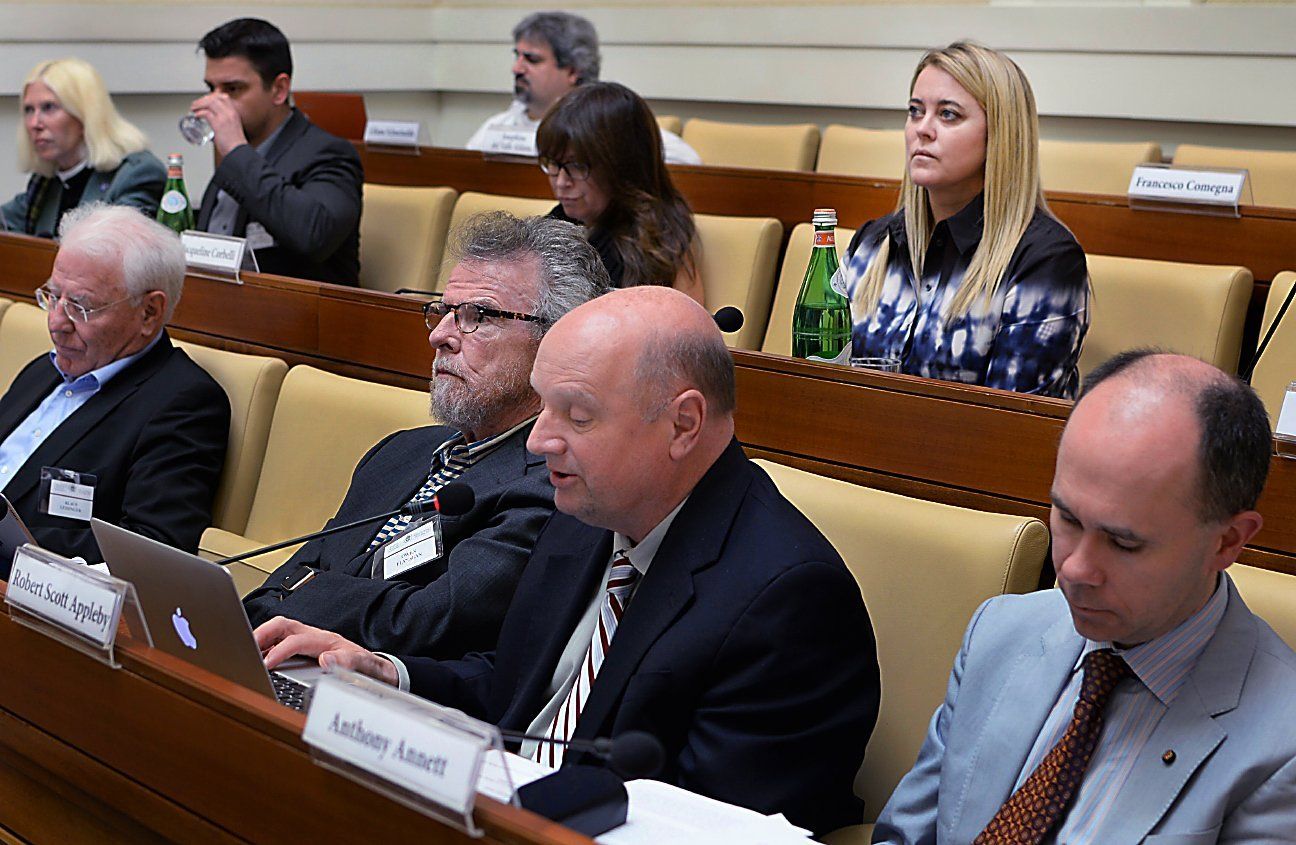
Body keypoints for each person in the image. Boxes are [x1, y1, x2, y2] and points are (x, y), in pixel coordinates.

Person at [256, 286, 880, 835]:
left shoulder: (790, 600)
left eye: (576, 415)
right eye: (542, 405)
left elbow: (705, 825)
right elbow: (515, 687)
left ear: (684, 423)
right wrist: (389, 674)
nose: (537, 440)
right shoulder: (588, 513)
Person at [874, 350, 1296, 843]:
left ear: (1227, 542)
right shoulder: (1000, 633)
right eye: (1068, 519)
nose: (1073, 569)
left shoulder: (1281, 746)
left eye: (1123, 543)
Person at [243, 213, 610, 655]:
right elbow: (289, 578)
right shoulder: (400, 451)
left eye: (477, 316)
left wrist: (307, 596)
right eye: (442, 312)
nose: (440, 336)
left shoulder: (552, 482)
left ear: (556, 339)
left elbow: (434, 621)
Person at [838, 42, 1088, 399]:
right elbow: (821, 378)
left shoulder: (1046, 261)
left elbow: (1009, 425)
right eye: (914, 111)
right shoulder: (873, 243)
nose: (922, 129)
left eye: (948, 115)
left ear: (998, 135)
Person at [0, 204, 230, 573]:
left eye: (81, 306)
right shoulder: (44, 371)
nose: (57, 323)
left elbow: (152, 547)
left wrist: (14, 546)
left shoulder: (183, 401)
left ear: (149, 313)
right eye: (53, 296)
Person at [191, 18, 363, 286]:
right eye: (211, 89)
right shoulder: (235, 151)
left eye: (233, 89)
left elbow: (314, 236)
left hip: (299, 317)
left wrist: (236, 150)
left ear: (279, 90)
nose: (215, 102)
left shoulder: (329, 154)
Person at [538, 82, 703, 304]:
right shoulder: (558, 223)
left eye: (577, 166)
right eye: (552, 164)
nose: (561, 181)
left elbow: (688, 330)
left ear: (621, 167)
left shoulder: (662, 240)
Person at [464, 11, 700, 166]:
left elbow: (688, 161)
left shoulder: (606, 123)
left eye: (532, 60)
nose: (517, 68)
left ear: (573, 71)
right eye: (517, 56)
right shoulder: (499, 125)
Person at [1, 58, 165, 238]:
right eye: (29, 110)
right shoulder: (47, 181)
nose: (34, 123)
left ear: (84, 114)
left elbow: (114, 248)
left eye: (48, 107)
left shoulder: (137, 174)